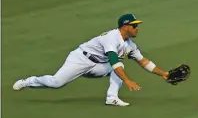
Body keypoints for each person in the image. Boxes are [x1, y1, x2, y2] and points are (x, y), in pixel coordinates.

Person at [13, 14, 169, 106]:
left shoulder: (130, 45)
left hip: (98, 66)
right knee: (56, 83)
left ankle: (111, 97)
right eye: (134, 26)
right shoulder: (111, 38)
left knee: (118, 67)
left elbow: (143, 61)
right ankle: (29, 81)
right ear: (125, 26)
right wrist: (127, 81)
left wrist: (163, 74)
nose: (137, 28)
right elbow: (113, 61)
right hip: (80, 59)